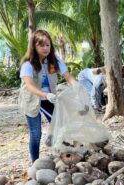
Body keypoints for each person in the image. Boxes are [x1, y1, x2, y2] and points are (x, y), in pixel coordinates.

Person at [19, 29, 76, 162]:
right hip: (31, 100)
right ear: (34, 46)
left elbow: (67, 76)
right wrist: (45, 94)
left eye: (48, 45)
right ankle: (35, 163)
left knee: (60, 127)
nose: (45, 48)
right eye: (41, 45)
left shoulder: (54, 60)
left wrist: (76, 86)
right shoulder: (27, 64)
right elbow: (29, 85)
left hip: (49, 98)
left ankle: (63, 156)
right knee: (36, 134)